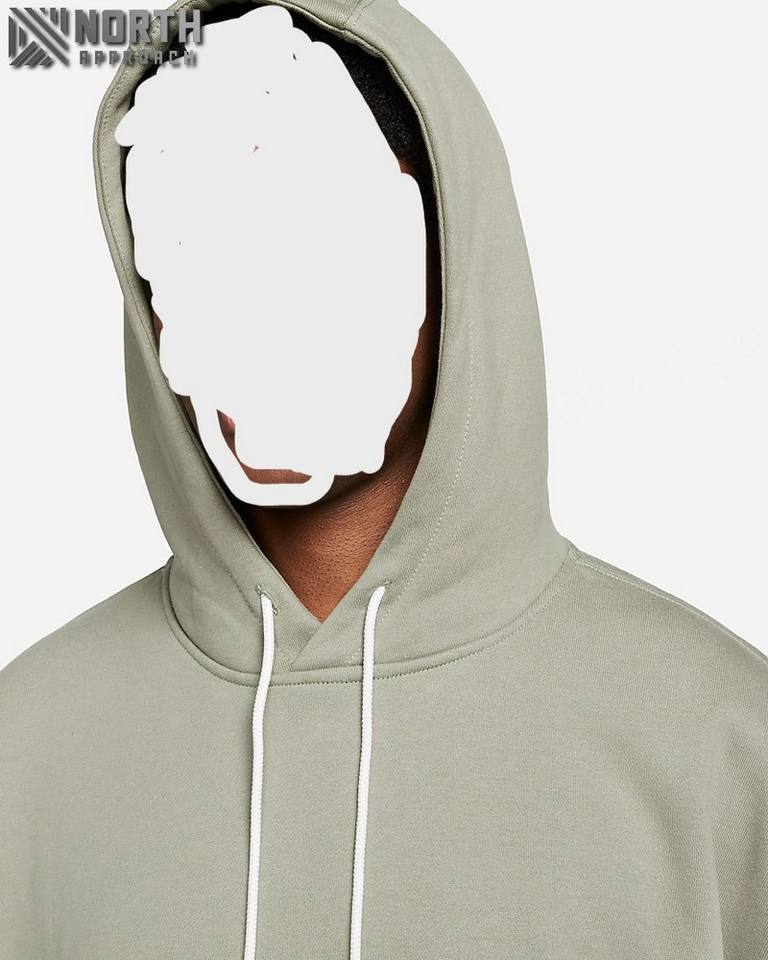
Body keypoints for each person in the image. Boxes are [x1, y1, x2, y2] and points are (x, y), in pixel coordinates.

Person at [1, 2, 765, 960]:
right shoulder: (25, 749)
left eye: (304, 229)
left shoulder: (722, 746)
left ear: (446, 247)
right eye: (187, 247)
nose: (250, 307)